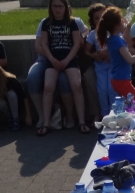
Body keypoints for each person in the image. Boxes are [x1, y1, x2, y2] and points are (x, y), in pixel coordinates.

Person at [38, 0, 89, 135]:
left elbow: (77, 43)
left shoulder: (72, 22)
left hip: (69, 59)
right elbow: (43, 44)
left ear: (65, 7)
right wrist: (52, 59)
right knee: (48, 87)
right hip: (53, 59)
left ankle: (82, 122)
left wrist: (67, 60)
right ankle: (46, 123)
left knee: (76, 85)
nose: (57, 9)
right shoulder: (46, 23)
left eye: (60, 6)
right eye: (54, 6)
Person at [98, 6, 135, 109]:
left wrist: (127, 28)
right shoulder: (117, 41)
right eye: (121, 20)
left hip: (119, 80)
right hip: (122, 81)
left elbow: (123, 39)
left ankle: (125, 117)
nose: (124, 20)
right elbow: (130, 59)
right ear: (116, 26)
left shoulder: (114, 39)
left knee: (130, 106)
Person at [83, 4, 114, 121]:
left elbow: (122, 47)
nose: (100, 21)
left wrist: (110, 54)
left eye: (103, 17)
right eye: (97, 18)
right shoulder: (93, 34)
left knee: (111, 89)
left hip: (112, 65)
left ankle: (114, 114)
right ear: (92, 21)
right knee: (102, 89)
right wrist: (94, 56)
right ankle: (105, 115)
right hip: (100, 66)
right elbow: (86, 50)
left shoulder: (114, 32)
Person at [0, 63, 32, 131]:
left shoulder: (12, 81)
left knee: (11, 94)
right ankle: (11, 117)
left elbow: (24, 97)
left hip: (18, 104)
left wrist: (28, 115)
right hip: (6, 107)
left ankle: (16, 119)